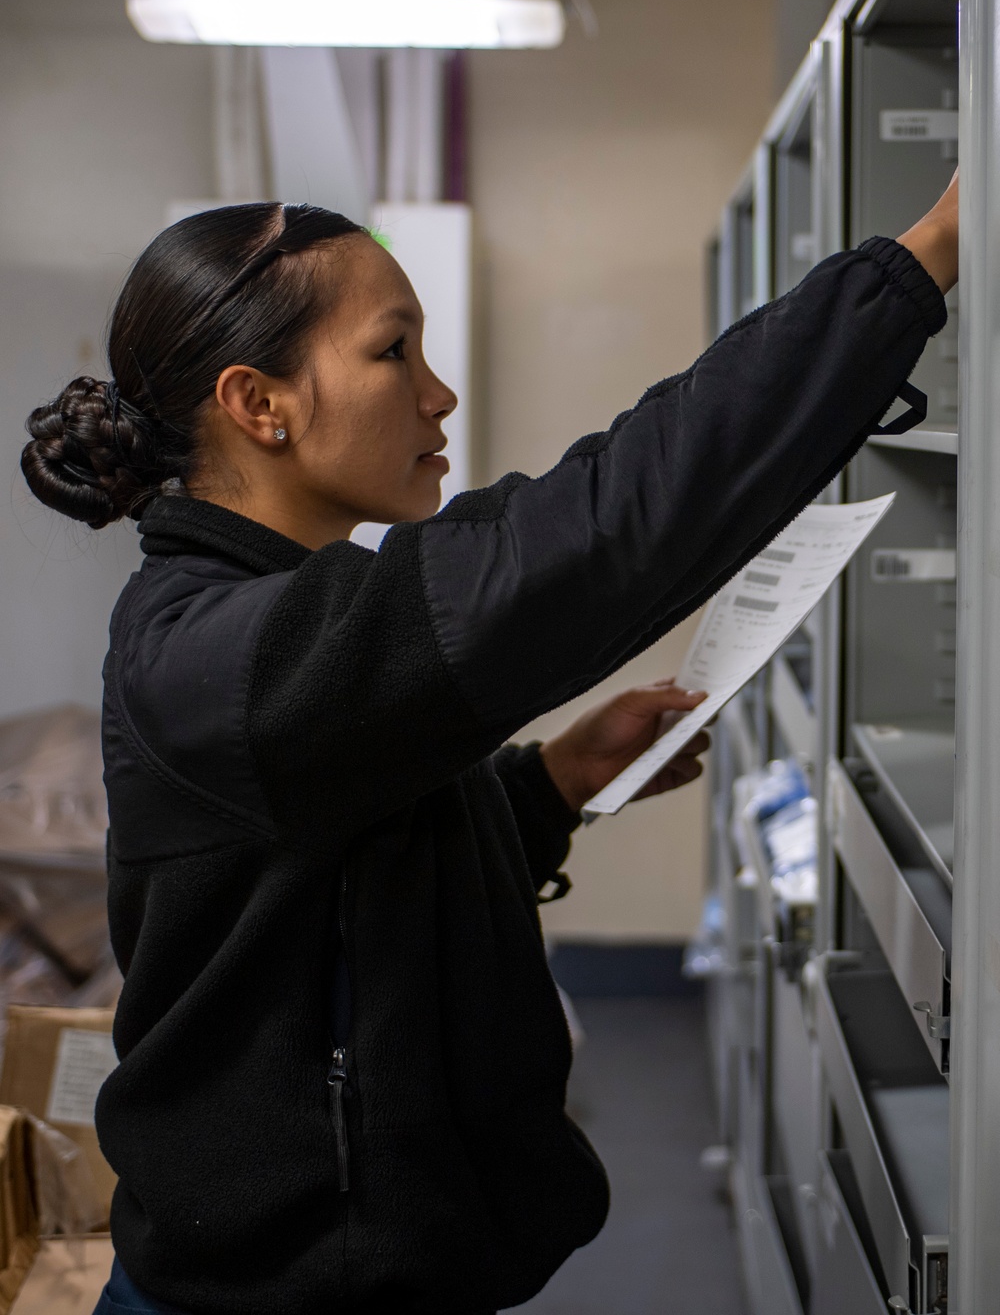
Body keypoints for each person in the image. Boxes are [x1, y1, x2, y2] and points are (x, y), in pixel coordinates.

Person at [20, 171, 957, 1315]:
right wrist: (928, 255)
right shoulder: (227, 655)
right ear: (259, 403)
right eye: (393, 353)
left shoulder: (276, 615)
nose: (439, 393)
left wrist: (549, 783)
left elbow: (326, 886)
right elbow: (598, 529)